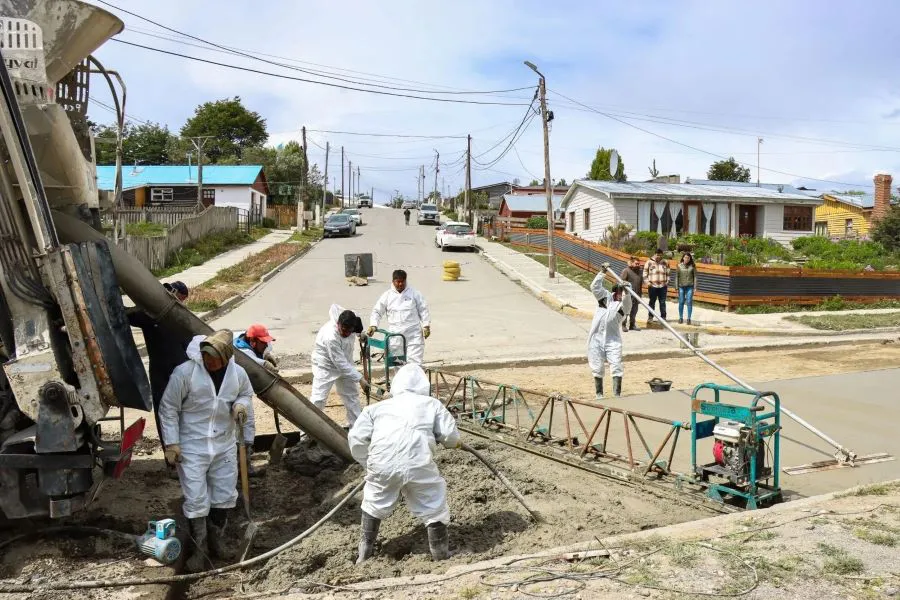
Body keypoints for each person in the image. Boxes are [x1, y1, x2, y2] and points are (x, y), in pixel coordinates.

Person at [159, 330, 253, 573]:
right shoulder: (185, 372)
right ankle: (199, 550)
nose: (208, 362)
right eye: (205, 357)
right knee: (196, 498)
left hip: (224, 444)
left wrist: (241, 406)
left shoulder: (237, 373)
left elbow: (245, 394)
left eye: (214, 359)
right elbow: (168, 408)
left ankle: (216, 542)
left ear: (225, 357)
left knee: (223, 495)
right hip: (192, 446)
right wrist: (171, 444)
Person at [348, 364, 460, 564]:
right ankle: (440, 555)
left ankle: (364, 554)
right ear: (424, 386)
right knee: (433, 500)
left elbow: (356, 439)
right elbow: (450, 437)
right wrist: (450, 441)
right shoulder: (432, 404)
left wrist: (370, 463)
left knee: (374, 501)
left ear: (396, 385)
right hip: (418, 462)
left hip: (381, 463)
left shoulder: (375, 408)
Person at [126, 281, 191, 474]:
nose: (181, 303)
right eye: (180, 298)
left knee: (185, 413)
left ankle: (186, 455)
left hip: (180, 370)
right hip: (162, 372)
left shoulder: (180, 316)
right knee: (165, 413)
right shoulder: (151, 314)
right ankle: (171, 459)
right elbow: (125, 314)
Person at [310, 305, 368, 428]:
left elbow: (357, 330)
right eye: (343, 330)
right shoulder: (330, 336)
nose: (345, 333)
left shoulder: (353, 320)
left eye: (349, 331)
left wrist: (360, 334)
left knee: (351, 396)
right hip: (326, 366)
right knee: (318, 399)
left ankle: (356, 428)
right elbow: (340, 364)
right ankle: (307, 432)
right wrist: (360, 378)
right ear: (338, 324)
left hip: (346, 363)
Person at [233, 324, 279, 477]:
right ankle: (243, 469)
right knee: (244, 427)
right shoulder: (242, 352)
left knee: (247, 426)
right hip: (235, 393)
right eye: (263, 343)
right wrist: (264, 363)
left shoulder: (244, 337)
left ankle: (243, 464)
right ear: (253, 342)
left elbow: (263, 349)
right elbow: (252, 360)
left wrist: (266, 355)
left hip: (244, 391)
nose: (266, 345)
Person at [368, 270, 431, 365]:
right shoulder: (387, 296)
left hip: (413, 335)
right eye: (398, 281)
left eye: (403, 281)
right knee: (398, 364)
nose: (400, 284)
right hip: (395, 336)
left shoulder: (414, 293)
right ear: (393, 281)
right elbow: (377, 311)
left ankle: (414, 379)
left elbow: (423, 309)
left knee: (415, 364)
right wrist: (373, 325)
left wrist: (426, 325)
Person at [589, 270, 626, 399]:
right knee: (597, 366)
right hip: (596, 337)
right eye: (621, 293)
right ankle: (599, 394)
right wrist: (602, 273)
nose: (622, 295)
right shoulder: (605, 297)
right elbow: (594, 287)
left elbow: (628, 302)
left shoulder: (624, 306)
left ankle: (617, 395)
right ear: (616, 292)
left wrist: (629, 289)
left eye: (624, 293)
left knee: (616, 364)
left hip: (612, 339)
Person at [643, 249, 671, 324]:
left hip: (663, 286)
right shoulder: (649, 262)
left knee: (662, 302)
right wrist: (647, 282)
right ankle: (650, 317)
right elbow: (645, 272)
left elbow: (668, 273)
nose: (659, 256)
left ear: (662, 255)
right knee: (652, 302)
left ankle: (663, 317)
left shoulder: (665, 262)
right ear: (655, 254)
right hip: (652, 286)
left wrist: (667, 281)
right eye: (657, 254)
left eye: (660, 255)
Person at [619, 257, 643, 332]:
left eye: (639, 263)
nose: (638, 265)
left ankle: (632, 325)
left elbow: (640, 284)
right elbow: (621, 283)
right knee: (626, 311)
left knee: (634, 311)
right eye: (636, 263)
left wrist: (640, 295)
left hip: (636, 295)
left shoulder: (639, 272)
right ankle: (623, 325)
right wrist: (620, 295)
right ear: (632, 263)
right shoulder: (626, 271)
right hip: (627, 295)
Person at [676, 252, 697, 325]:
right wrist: (676, 287)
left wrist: (695, 287)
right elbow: (676, 276)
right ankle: (680, 317)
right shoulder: (679, 266)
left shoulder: (693, 266)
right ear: (683, 258)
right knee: (681, 301)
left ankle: (689, 318)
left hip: (690, 286)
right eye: (685, 257)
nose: (686, 259)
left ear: (690, 259)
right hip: (681, 286)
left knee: (689, 302)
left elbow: (695, 277)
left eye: (688, 258)